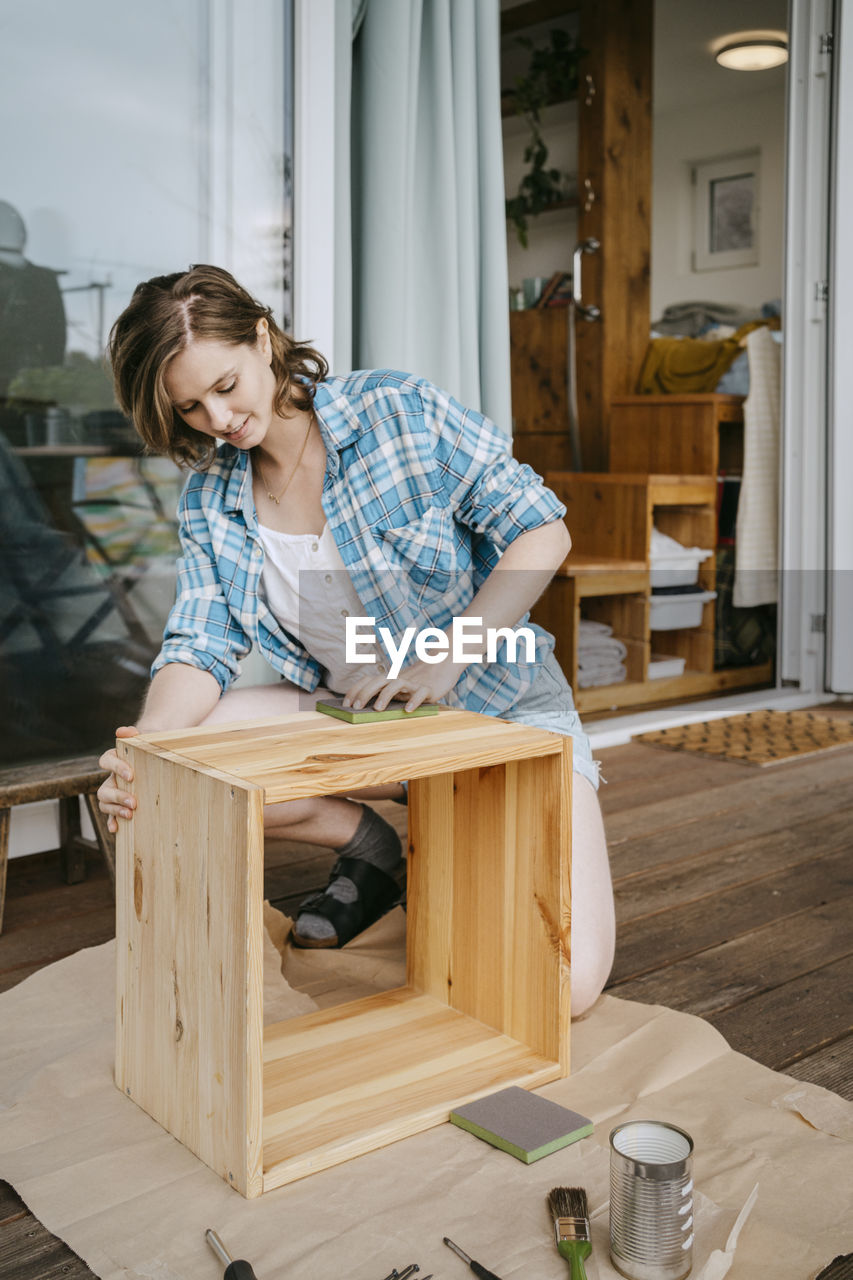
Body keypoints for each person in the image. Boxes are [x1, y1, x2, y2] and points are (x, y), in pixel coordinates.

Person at [97, 265, 615, 1015]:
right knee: (175, 766)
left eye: (226, 385)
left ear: (264, 339)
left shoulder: (397, 413)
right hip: (359, 719)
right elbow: (199, 642)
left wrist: (446, 660)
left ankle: (450, 832)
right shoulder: (213, 496)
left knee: (562, 990)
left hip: (499, 717)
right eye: (191, 407)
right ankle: (370, 848)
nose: (218, 418)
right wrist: (141, 753)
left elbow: (541, 530)